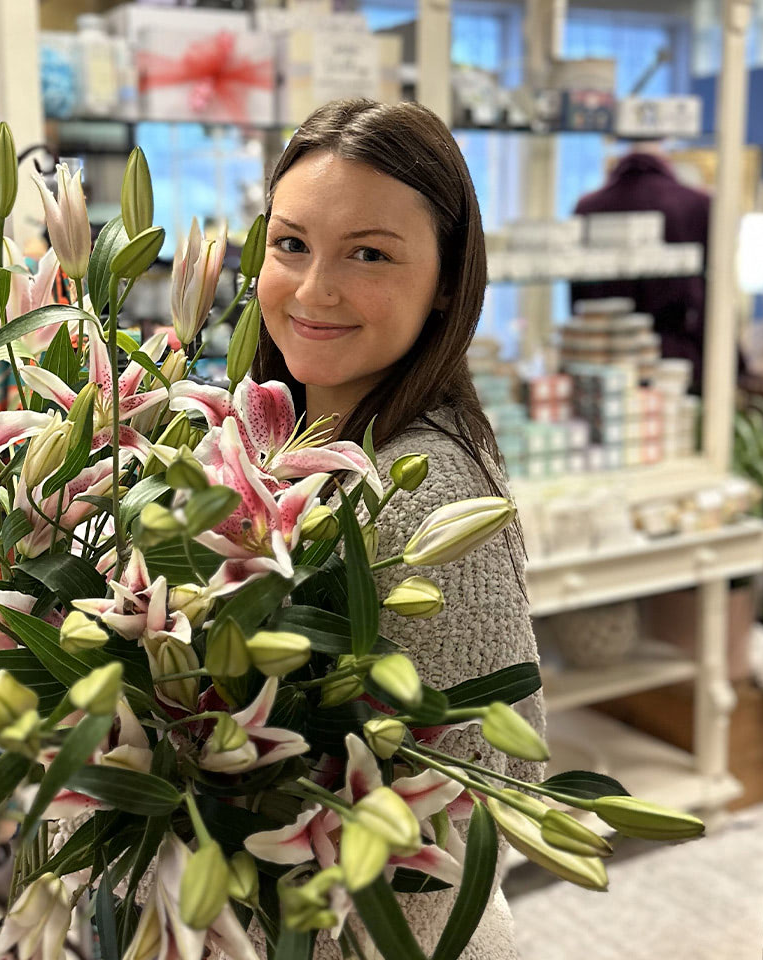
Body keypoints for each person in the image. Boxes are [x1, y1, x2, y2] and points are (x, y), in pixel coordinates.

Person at [252, 98, 544, 958]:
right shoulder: (289, 437)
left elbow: (495, 784)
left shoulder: (425, 488)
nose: (313, 290)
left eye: (369, 255)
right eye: (291, 244)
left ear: (449, 279)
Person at [570, 146, 711, 391]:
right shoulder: (699, 204)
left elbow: (578, 302)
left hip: (602, 362)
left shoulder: (587, 206)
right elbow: (710, 299)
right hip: (677, 365)